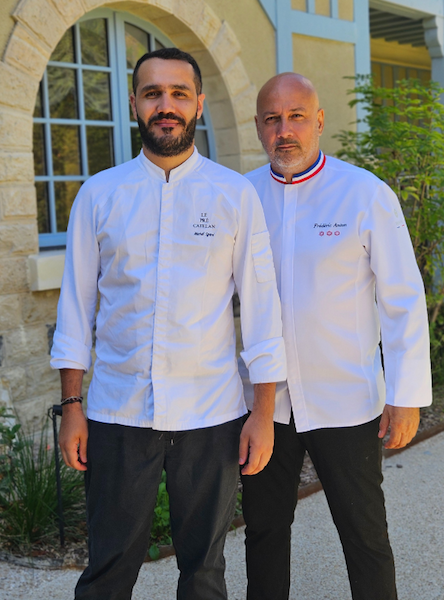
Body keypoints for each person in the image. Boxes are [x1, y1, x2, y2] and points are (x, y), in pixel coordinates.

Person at [51, 47, 287, 600]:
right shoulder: (99, 196)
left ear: (198, 105)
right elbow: (75, 312)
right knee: (108, 571)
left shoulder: (235, 196)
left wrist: (265, 413)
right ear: (134, 104)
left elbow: (260, 310)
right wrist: (72, 407)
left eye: (179, 94)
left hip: (211, 415)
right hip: (117, 413)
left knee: (204, 573)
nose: (166, 105)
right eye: (153, 93)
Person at [242, 72, 432, 600]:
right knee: (263, 534)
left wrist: (407, 395)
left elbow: (402, 299)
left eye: (297, 116)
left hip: (346, 403)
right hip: (266, 407)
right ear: (258, 127)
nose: (285, 130)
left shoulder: (366, 194)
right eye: (273, 119)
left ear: (319, 121)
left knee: (366, 538)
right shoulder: (243, 198)